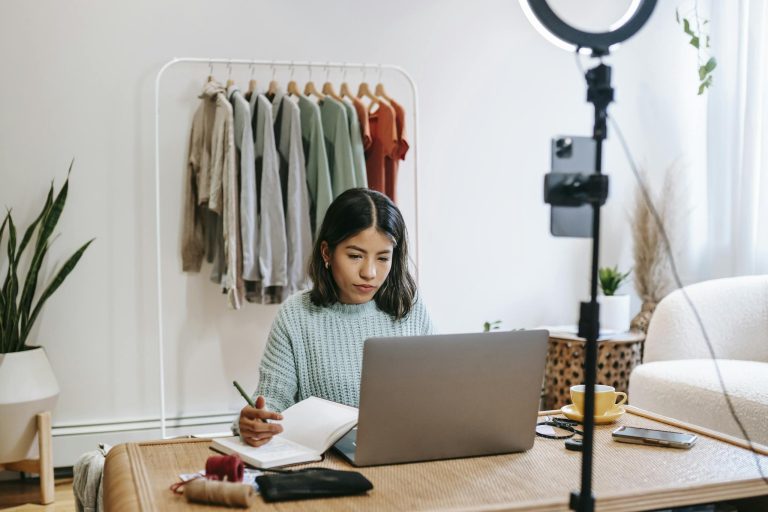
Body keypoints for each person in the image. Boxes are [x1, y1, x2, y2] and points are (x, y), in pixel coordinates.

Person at [236, 188, 434, 447]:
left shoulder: (410, 308)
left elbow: (436, 395)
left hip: (407, 453)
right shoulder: (296, 316)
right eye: (355, 256)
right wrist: (254, 423)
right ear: (327, 253)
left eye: (383, 258)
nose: (370, 272)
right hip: (328, 466)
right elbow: (271, 403)